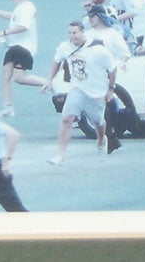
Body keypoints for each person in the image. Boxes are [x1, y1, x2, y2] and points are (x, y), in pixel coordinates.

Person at [46, 21, 114, 166]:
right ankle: (60, 155)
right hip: (78, 88)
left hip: (97, 91)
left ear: (83, 32)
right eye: (69, 33)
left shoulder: (98, 50)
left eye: (75, 33)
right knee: (67, 118)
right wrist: (49, 80)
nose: (72, 36)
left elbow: (112, 68)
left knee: (98, 122)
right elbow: (56, 61)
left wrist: (111, 89)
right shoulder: (65, 47)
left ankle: (102, 140)